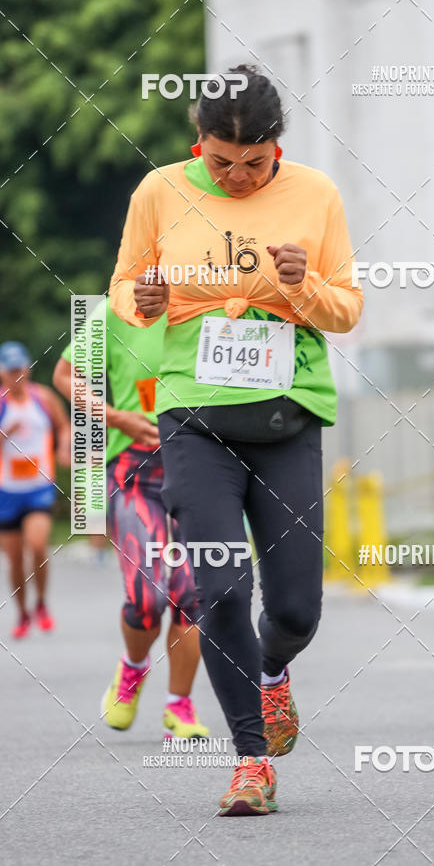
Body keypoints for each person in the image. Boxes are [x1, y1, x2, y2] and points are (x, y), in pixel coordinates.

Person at [109, 64, 363, 815]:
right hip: (194, 418)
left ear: (278, 145)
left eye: (255, 162)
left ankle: (274, 671)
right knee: (219, 588)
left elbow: (347, 309)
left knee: (295, 612)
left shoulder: (316, 194)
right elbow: (123, 288)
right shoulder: (160, 191)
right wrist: (144, 299)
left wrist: (301, 283)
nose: (239, 177)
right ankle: (251, 762)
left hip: (287, 419)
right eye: (222, 163)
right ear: (199, 140)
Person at [53, 298, 209, 739]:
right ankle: (134, 668)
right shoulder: (115, 312)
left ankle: (179, 706)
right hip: (137, 472)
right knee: (147, 597)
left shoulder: (212, 306)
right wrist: (115, 416)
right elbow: (65, 374)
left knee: (193, 593)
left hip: (201, 470)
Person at [0, 341, 70, 639]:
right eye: (11, 371)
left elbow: (64, 426)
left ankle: (41, 603)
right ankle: (22, 613)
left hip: (39, 487)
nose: (17, 376)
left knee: (38, 545)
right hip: (6, 492)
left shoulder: (43, 398)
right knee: (15, 559)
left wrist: (64, 448)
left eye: (21, 369)